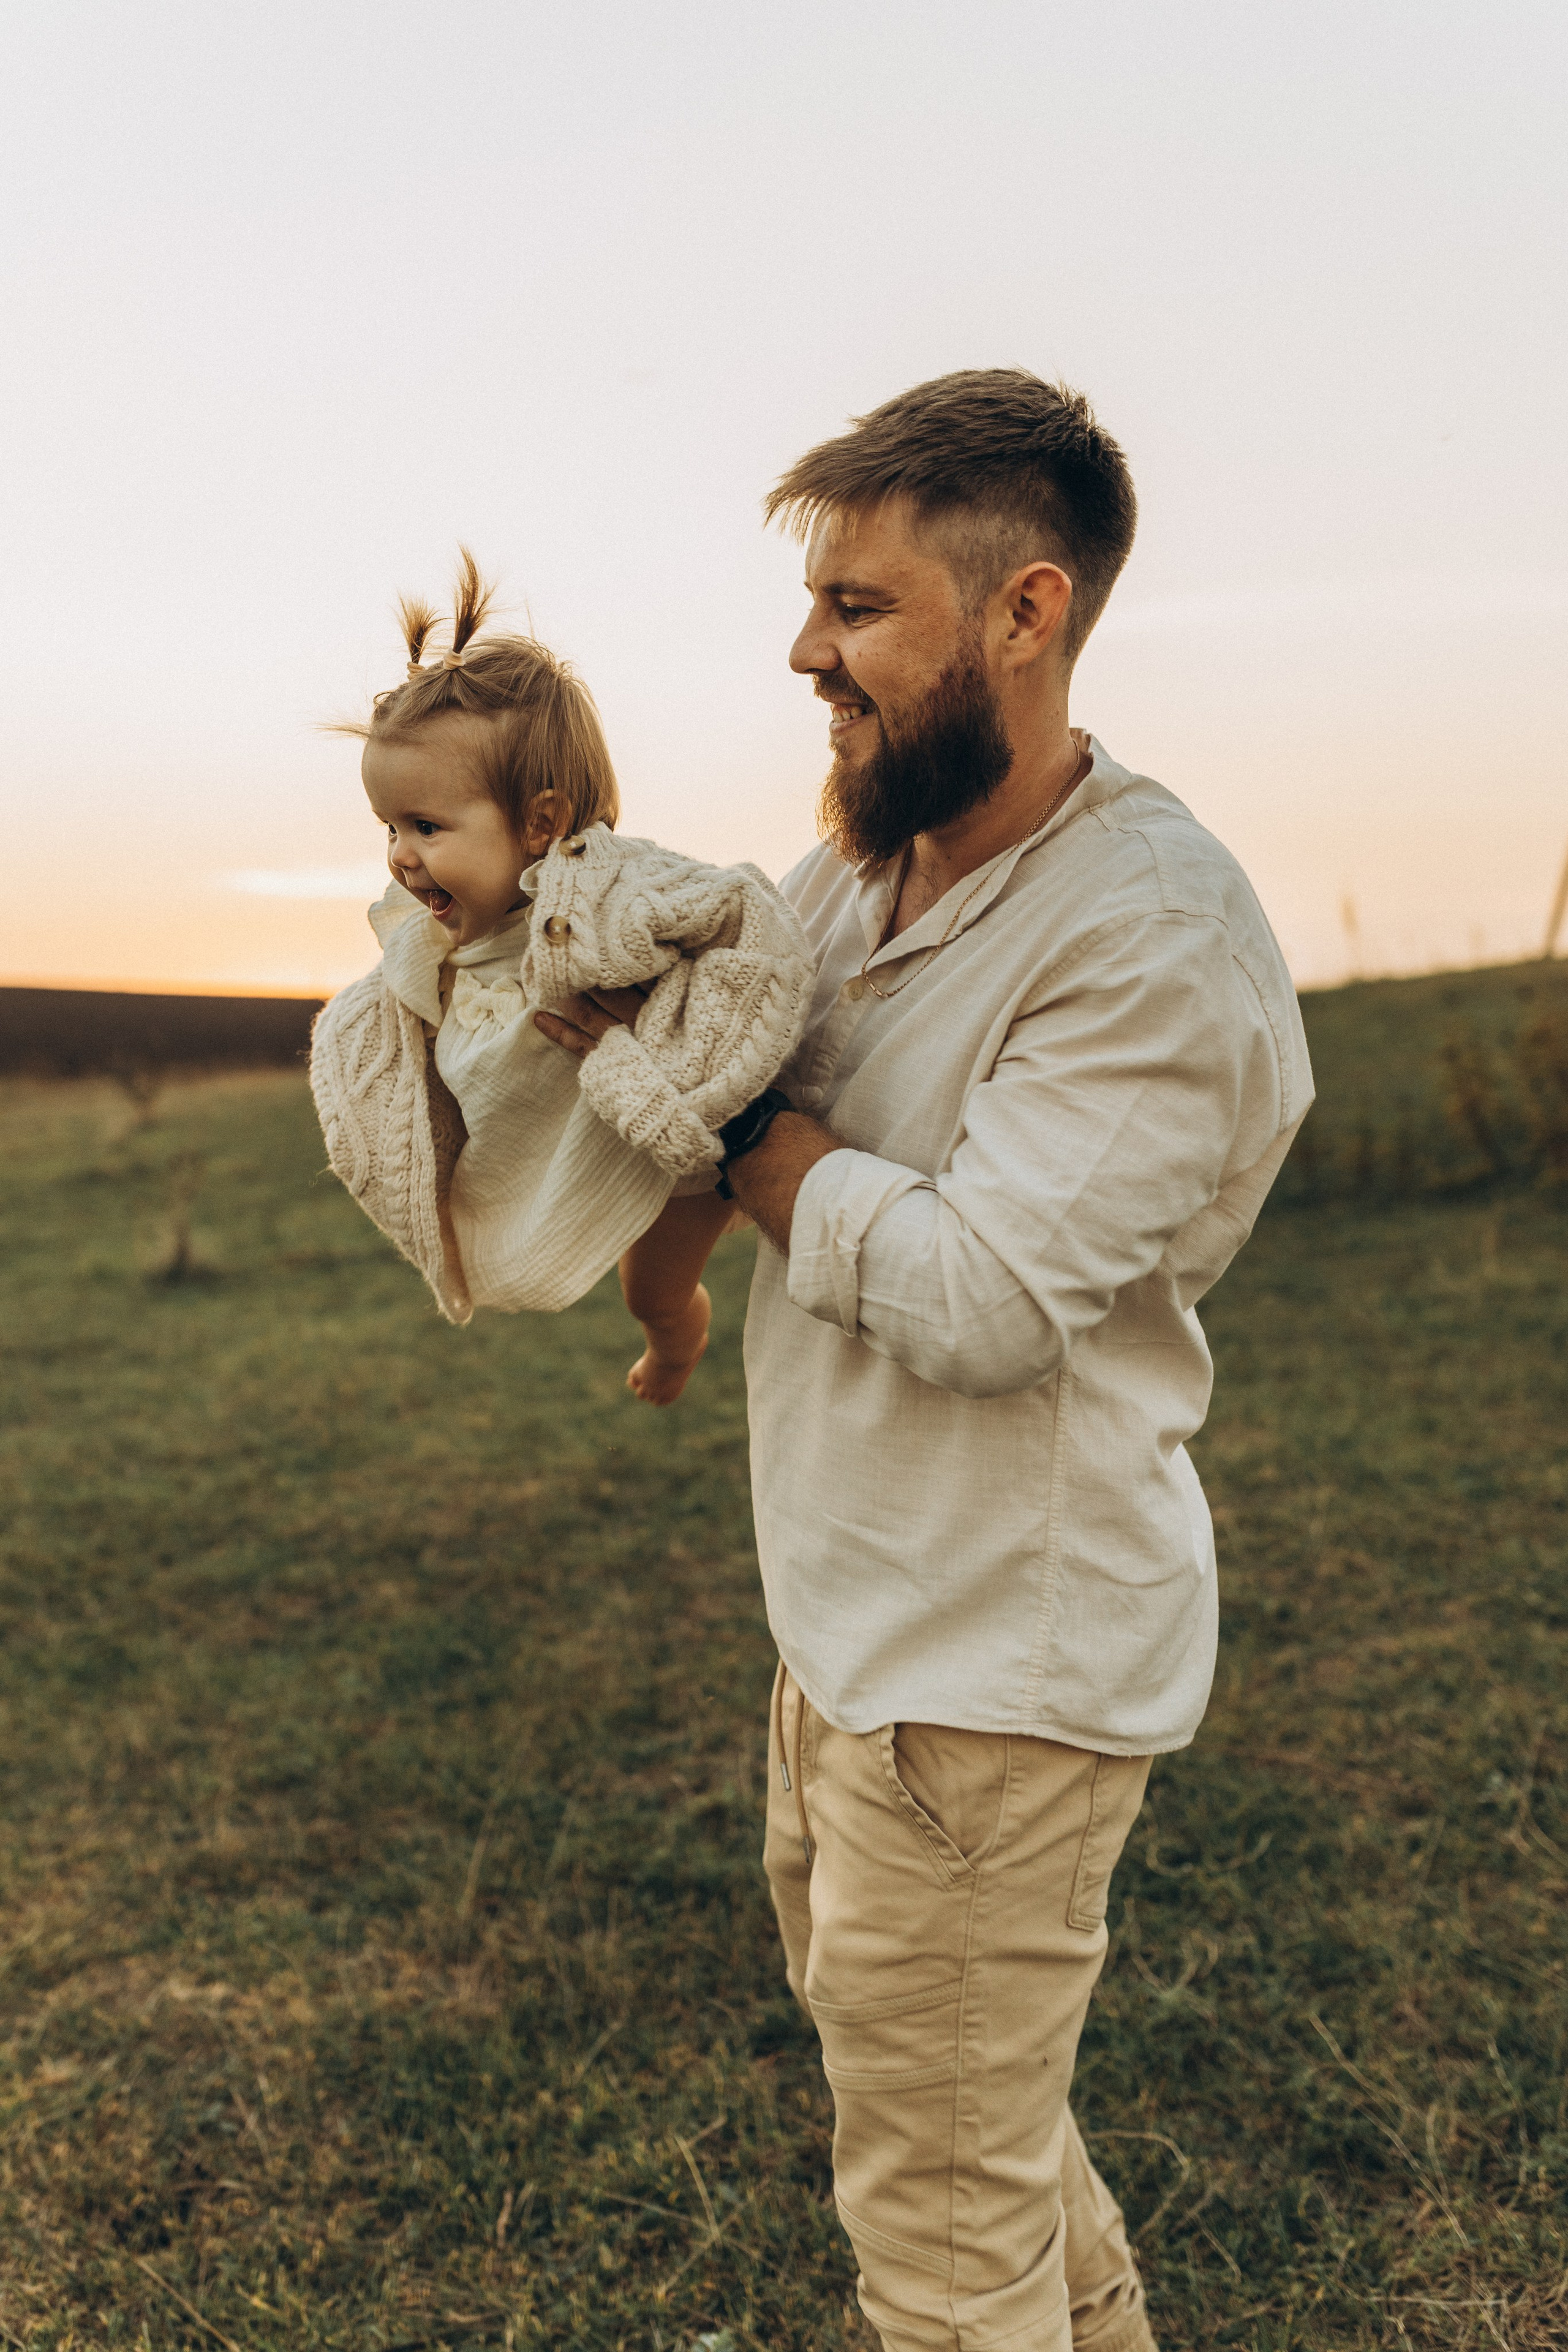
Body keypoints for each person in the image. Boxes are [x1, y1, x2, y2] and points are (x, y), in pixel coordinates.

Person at [535, 369, 1313, 2352]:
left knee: (944, 2258)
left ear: (1027, 612)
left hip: (994, 1683)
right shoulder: (858, 877)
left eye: (860, 608)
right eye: (816, 606)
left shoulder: (1147, 932)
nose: (809, 651)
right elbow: (715, 1060)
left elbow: (973, 1297)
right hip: (856, 1646)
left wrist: (763, 1147)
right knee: (987, 2143)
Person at [317, 551, 806, 1399]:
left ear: (542, 823)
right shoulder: (440, 940)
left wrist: (689, 1062)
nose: (400, 857)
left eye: (426, 826)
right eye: (388, 828)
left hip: (673, 1140)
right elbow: (404, 1031)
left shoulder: (613, 889)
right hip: (558, 1134)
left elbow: (745, 923)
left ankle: (676, 1344)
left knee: (647, 1287)